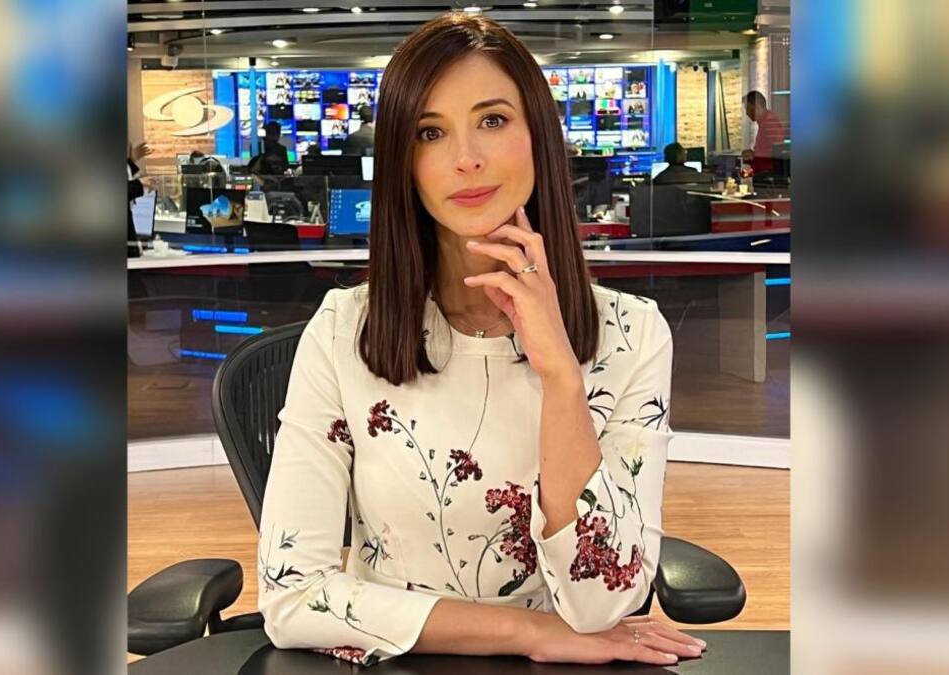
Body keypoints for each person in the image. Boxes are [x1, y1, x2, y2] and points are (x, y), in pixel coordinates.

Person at [257, 12, 702, 669]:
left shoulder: (633, 334)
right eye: (430, 132)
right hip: (403, 661)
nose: (466, 158)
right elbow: (292, 597)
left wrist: (560, 375)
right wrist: (526, 632)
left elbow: (602, 606)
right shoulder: (343, 330)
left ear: (538, 135)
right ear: (404, 164)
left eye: (492, 120)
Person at [741, 90, 786, 175]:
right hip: (762, 173)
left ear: (757, 106)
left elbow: (777, 157)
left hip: (767, 177)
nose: (747, 113)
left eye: (748, 109)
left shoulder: (770, 123)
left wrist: (753, 158)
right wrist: (753, 154)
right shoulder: (765, 122)